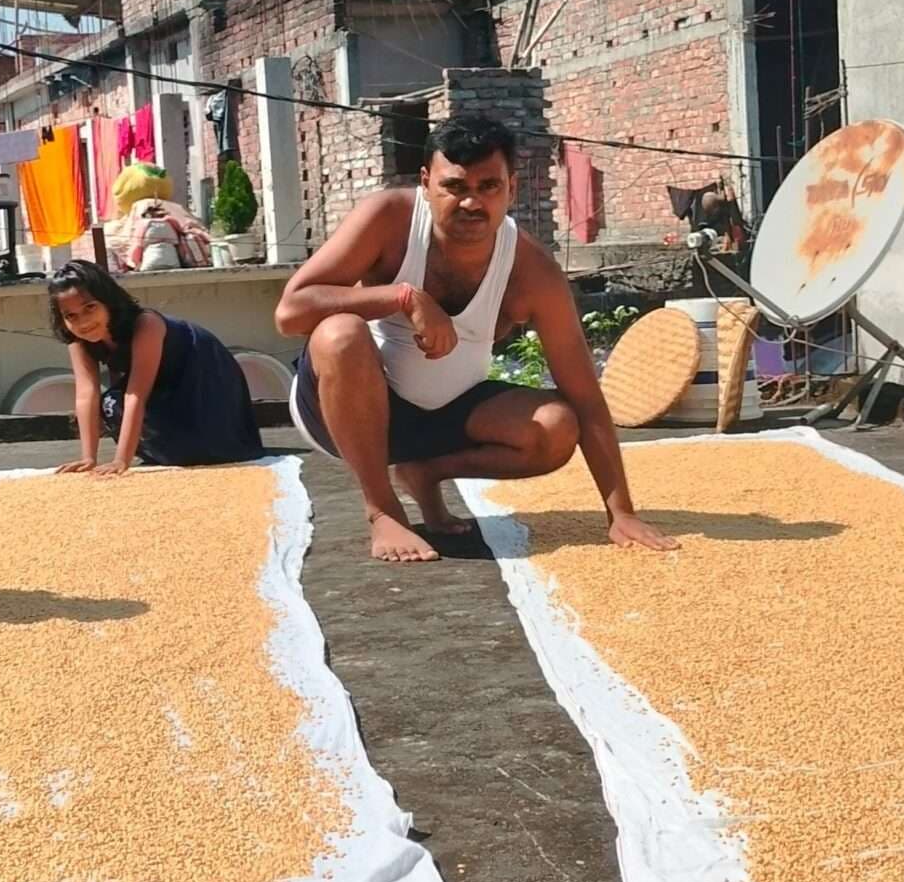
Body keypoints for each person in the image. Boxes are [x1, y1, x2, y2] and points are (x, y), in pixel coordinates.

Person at [276, 114, 677, 565]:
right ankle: (382, 508)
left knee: (557, 425)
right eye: (455, 187)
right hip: (344, 411)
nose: (471, 203)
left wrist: (620, 512)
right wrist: (402, 296)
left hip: (444, 419)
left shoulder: (531, 270)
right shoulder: (387, 218)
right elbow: (291, 313)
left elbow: (585, 394)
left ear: (512, 188)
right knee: (340, 333)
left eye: (488, 187)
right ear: (426, 183)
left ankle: (424, 473)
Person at [48, 261, 263, 472]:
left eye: (90, 308)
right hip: (163, 386)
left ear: (108, 301)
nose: (83, 322)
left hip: (204, 378)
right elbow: (86, 393)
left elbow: (136, 394)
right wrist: (88, 457)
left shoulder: (146, 324)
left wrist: (121, 460)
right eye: (71, 316)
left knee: (207, 449)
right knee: (112, 405)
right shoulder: (79, 340)